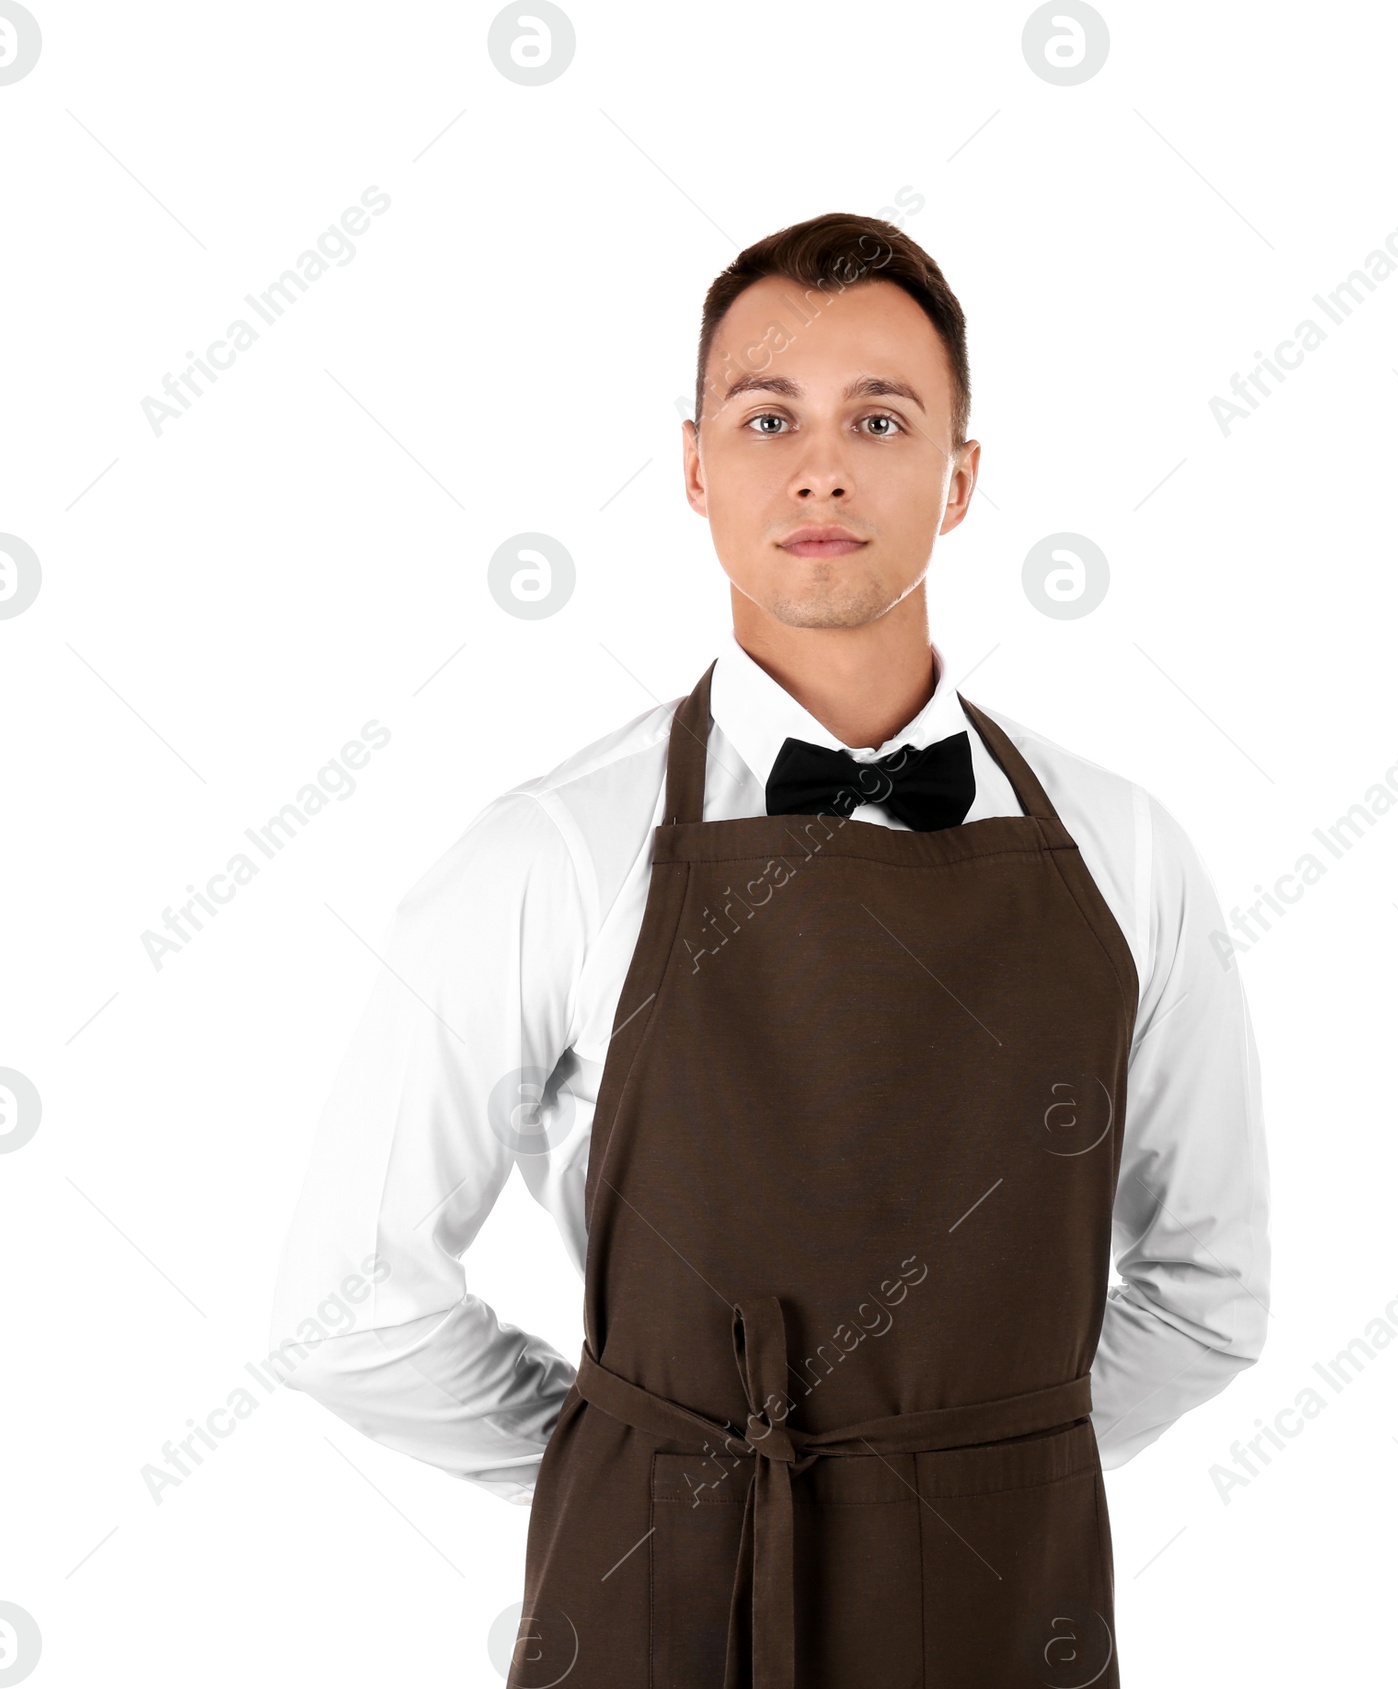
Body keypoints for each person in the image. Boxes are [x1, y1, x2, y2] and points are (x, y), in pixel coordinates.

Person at [268, 210, 1269, 1689]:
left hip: (1013, 1621)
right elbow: (343, 1303)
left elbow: (1212, 1289)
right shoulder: (547, 853)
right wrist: (643, 1469)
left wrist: (982, 1471)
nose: (821, 465)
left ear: (960, 477)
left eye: (880, 417)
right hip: (658, 1612)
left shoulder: (1129, 853)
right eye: (766, 416)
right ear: (692, 468)